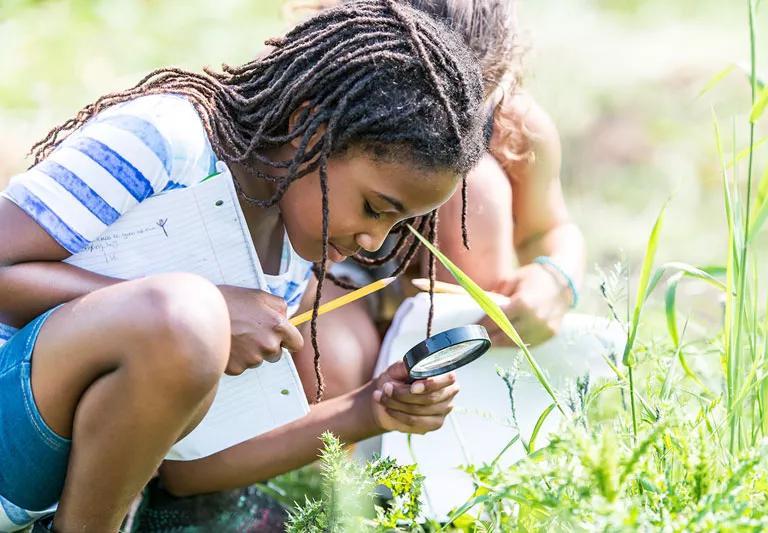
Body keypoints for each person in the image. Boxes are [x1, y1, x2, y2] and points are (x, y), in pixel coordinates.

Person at [0, 1, 487, 531]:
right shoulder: (168, 140)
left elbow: (186, 469)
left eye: (398, 226)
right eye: (375, 208)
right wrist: (201, 313)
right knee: (185, 314)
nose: (374, 241)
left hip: (42, 489)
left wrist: (371, 409)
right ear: (309, 127)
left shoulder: (291, 260)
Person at [289, 0, 587, 402]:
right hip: (324, 276)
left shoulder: (515, 128)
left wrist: (555, 279)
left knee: (476, 189)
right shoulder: (313, 84)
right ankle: (343, 444)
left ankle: (460, 402)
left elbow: (549, 228)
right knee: (334, 363)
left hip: (436, 293)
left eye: (470, 111)